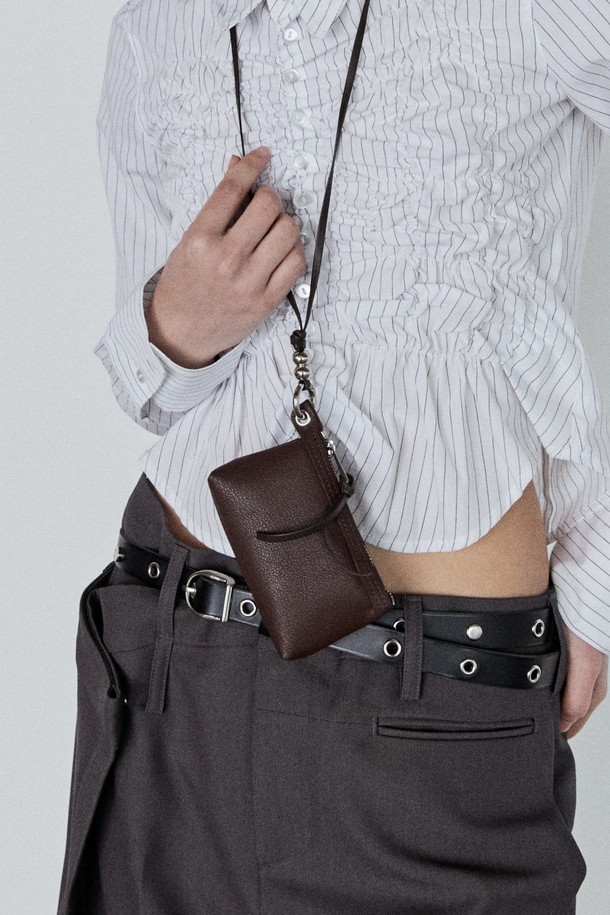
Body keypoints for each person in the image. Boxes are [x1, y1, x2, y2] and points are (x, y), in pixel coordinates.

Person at [58, 1, 610, 912]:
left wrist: (597, 573)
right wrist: (174, 325)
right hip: (170, 674)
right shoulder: (157, 26)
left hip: (428, 710)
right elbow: (150, 396)